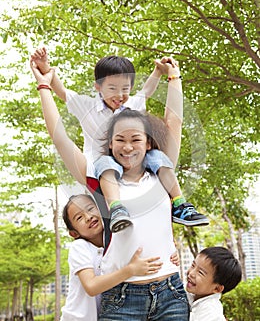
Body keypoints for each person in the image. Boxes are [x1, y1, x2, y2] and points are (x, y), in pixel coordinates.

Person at [30, 63, 190, 320]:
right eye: (120, 140)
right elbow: (59, 137)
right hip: (123, 299)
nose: (128, 147)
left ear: (148, 142)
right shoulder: (98, 183)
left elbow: (175, 122)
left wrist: (173, 76)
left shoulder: (161, 174)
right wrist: (44, 85)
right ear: (110, 145)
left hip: (171, 293)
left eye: (136, 139)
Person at [31, 48, 209, 231]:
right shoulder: (87, 106)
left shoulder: (132, 105)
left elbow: (149, 92)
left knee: (158, 157)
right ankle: (116, 208)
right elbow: (61, 92)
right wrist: (46, 71)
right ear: (98, 86)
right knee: (107, 165)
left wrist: (159, 71)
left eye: (125, 89)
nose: (120, 95)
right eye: (113, 89)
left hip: (135, 162)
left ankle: (179, 204)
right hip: (102, 163)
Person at [60, 193, 164, 321]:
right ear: (74, 233)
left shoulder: (116, 241)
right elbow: (91, 286)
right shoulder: (80, 247)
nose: (88, 217)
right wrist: (130, 270)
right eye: (79, 217)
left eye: (91, 208)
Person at [186, 246, 242, 321]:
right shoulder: (191, 294)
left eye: (200, 273)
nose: (191, 273)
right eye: (193, 265)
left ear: (217, 288)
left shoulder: (211, 313)